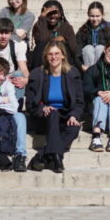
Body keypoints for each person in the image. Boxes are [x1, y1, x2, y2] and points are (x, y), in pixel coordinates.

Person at [25, 40, 84, 173]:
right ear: (45, 56)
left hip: (65, 115)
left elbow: (80, 101)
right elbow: (30, 103)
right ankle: (57, 159)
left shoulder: (73, 73)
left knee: (74, 128)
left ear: (63, 55)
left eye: (57, 53)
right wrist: (42, 108)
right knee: (53, 113)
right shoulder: (37, 74)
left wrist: (74, 115)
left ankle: (41, 156)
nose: (54, 57)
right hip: (44, 118)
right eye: (50, 54)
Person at [30, 0, 80, 68]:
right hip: (44, 61)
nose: (52, 16)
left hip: (62, 63)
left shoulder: (66, 27)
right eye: (49, 13)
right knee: (41, 45)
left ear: (60, 14)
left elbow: (74, 49)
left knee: (64, 45)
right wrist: (42, 17)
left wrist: (63, 41)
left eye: (55, 13)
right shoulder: (40, 25)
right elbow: (42, 40)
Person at [76, 1, 110, 70]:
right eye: (92, 16)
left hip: (104, 65)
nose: (95, 19)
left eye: (97, 16)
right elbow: (77, 51)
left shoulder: (108, 31)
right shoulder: (82, 31)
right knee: (88, 48)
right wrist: (81, 65)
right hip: (86, 66)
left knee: (100, 48)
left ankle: (99, 74)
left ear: (102, 15)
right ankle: (90, 74)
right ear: (88, 15)